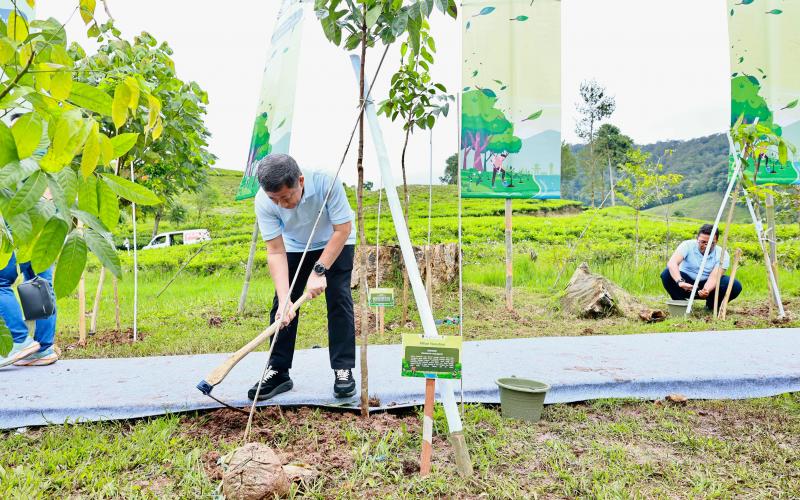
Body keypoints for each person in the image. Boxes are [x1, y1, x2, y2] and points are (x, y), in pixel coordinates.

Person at [249, 153, 356, 401]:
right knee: (282, 305)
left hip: (335, 238)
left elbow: (343, 229)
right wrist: (286, 297)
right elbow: (275, 250)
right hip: (295, 244)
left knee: (339, 298)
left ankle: (343, 369)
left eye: (286, 197)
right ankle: (278, 371)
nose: (282, 204)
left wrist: (319, 270)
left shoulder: (326, 181)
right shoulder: (264, 201)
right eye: (274, 199)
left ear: (300, 180)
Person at [661, 224, 742, 310]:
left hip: (708, 284)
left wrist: (706, 290)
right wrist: (680, 282)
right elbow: (672, 263)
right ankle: (681, 303)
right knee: (667, 274)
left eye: (711, 243)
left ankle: (711, 306)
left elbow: (714, 277)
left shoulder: (722, 254)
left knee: (734, 285)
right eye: (703, 242)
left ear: (717, 241)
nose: (707, 246)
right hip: (686, 283)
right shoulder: (687, 245)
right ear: (697, 239)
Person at [0, 254, 58, 368]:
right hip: (45, 239)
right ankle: (43, 349)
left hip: (17, 239)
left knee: (1, 281)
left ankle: (19, 339)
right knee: (40, 284)